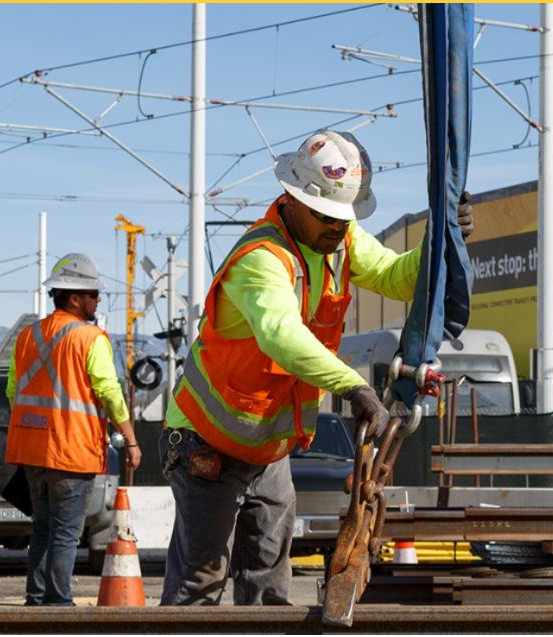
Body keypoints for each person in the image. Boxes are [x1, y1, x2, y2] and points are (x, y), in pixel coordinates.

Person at [160, 130, 473, 605]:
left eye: (344, 217)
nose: (336, 226)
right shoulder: (261, 260)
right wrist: (355, 388)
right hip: (206, 441)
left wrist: (441, 241)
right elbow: (281, 337)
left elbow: (396, 277)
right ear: (292, 198)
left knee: (268, 583)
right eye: (325, 215)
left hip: (265, 447)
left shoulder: (341, 240)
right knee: (198, 585)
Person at [6, 253, 142, 607]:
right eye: (94, 294)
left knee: (42, 528)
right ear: (74, 298)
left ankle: (36, 599)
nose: (98, 300)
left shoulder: (27, 336)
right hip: (71, 451)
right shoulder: (89, 337)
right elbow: (109, 391)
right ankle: (58, 602)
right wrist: (130, 440)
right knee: (65, 532)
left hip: (31, 451)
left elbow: (12, 391)